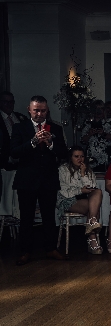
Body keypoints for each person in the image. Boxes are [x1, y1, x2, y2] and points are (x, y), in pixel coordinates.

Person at [11, 96, 68, 265]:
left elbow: (64, 153)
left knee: (49, 216)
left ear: (47, 110)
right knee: (26, 217)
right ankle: (25, 251)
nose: (39, 114)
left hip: (48, 179)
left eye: (43, 110)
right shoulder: (19, 127)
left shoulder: (55, 129)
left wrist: (51, 144)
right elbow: (14, 152)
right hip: (27, 179)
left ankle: (51, 249)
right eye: (36, 110)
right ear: (29, 109)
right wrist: (33, 142)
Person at [57, 146, 103, 254]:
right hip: (67, 199)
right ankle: (92, 238)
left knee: (98, 193)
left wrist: (83, 174)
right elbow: (63, 191)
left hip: (85, 199)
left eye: (82, 156)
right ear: (71, 157)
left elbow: (92, 187)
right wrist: (80, 190)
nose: (80, 159)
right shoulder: (63, 169)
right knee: (94, 208)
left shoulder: (87, 170)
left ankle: (91, 222)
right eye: (76, 156)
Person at [81, 100, 111, 171]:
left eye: (101, 108)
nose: (99, 111)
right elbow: (83, 140)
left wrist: (103, 133)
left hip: (106, 156)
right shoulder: (88, 122)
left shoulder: (110, 121)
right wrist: (90, 134)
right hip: (91, 157)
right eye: (96, 108)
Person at [1, 91, 29, 171]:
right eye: (6, 102)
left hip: (23, 162)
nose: (9, 104)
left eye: (11, 102)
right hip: (5, 164)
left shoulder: (21, 117)